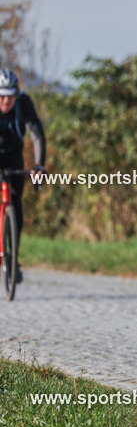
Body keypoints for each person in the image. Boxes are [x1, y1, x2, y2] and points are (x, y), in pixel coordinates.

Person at [0, 68, 46, 284]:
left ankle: (13, 258)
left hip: (13, 157)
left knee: (15, 201)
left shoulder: (23, 102)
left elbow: (36, 133)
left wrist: (39, 165)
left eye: (10, 95)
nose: (6, 100)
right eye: (1, 96)